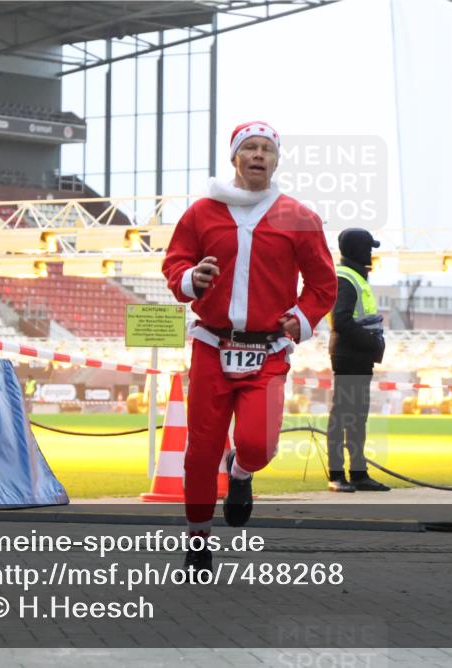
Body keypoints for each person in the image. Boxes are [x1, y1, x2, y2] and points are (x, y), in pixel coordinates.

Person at [163, 121, 337, 572]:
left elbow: (322, 283)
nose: (258, 155)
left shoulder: (298, 217)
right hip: (211, 346)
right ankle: (198, 538)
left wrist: (300, 318)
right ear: (234, 158)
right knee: (200, 451)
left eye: (267, 149)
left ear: (276, 161)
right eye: (249, 148)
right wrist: (189, 278)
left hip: (268, 350)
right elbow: (175, 261)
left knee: (258, 444)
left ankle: (240, 472)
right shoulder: (201, 212)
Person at [326, 228, 390, 493]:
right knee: (343, 416)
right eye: (368, 248)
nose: (371, 253)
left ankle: (359, 473)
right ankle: (337, 475)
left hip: (358, 358)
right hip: (349, 357)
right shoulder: (346, 278)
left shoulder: (355, 277)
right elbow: (340, 321)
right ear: (357, 250)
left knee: (356, 418)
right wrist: (372, 342)